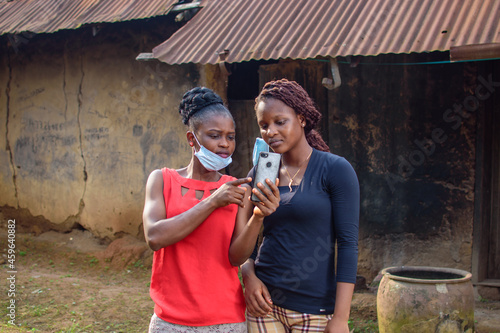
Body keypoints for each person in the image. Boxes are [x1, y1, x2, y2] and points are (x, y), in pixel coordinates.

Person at [142, 87, 279, 333]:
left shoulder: (238, 190)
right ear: (191, 139)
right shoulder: (162, 180)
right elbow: (154, 237)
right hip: (170, 320)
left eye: (230, 136)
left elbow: (236, 258)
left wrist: (257, 218)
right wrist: (212, 202)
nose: (224, 144)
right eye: (214, 136)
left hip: (225, 319)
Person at [239, 79, 360, 333]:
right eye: (264, 125)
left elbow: (348, 244)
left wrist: (340, 318)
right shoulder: (263, 170)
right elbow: (243, 241)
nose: (270, 132)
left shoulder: (335, 170)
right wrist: (249, 276)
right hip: (265, 306)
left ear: (302, 119)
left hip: (314, 311)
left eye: (279, 122)